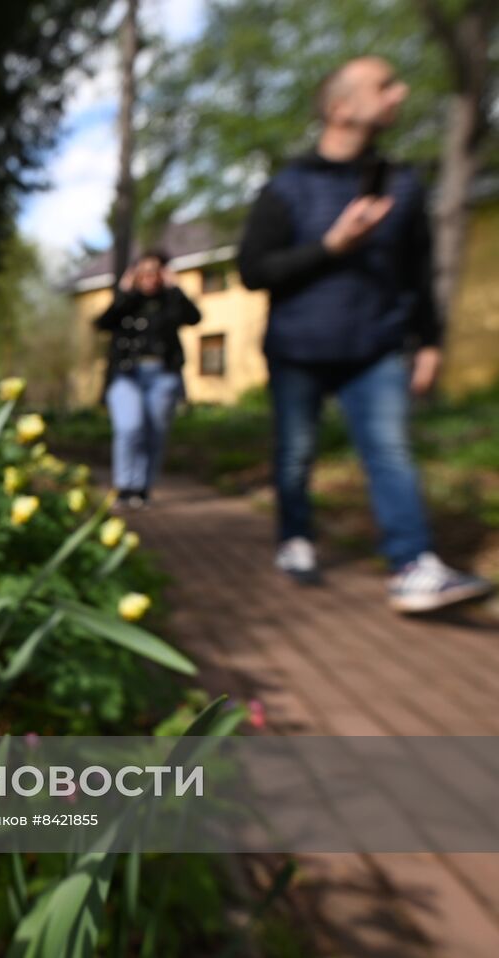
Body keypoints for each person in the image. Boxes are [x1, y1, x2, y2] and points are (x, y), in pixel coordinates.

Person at [238, 56, 491, 613]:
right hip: (298, 348)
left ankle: (413, 565)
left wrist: (429, 343)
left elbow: (420, 275)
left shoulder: (401, 185)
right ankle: (296, 539)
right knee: (295, 454)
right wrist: (332, 246)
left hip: (376, 347)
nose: (399, 93)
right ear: (340, 107)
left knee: (391, 451)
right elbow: (253, 270)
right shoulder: (287, 187)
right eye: (384, 85)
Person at [94, 250, 201, 509]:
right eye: (144, 271)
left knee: (154, 433)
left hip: (162, 375)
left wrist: (176, 288)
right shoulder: (128, 301)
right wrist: (125, 292)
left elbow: (193, 318)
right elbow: (102, 323)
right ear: (135, 274)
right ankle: (124, 486)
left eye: (156, 271)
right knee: (129, 428)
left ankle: (142, 490)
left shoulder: (170, 301)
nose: (150, 277)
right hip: (126, 374)